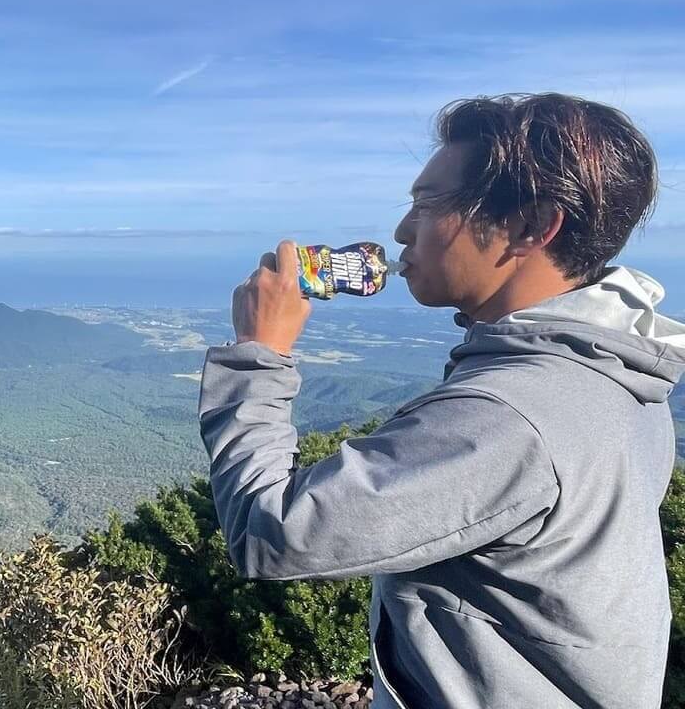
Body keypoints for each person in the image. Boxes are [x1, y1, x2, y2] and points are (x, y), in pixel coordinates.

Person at [198, 93, 685, 708]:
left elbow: (271, 532)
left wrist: (257, 356)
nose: (402, 230)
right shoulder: (622, 371)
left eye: (427, 205)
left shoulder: (510, 417)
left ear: (533, 225)